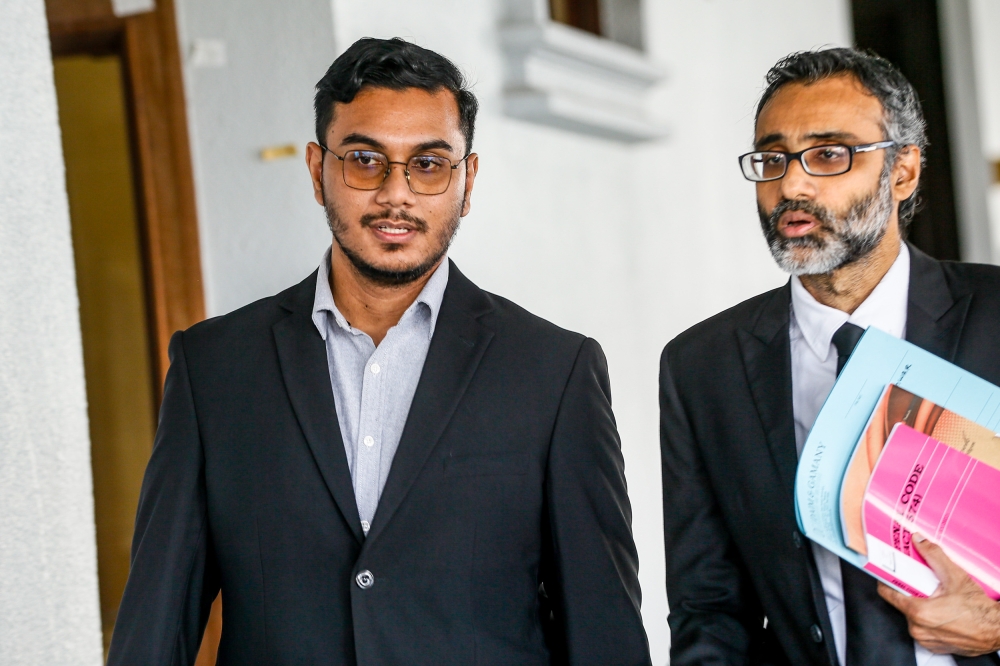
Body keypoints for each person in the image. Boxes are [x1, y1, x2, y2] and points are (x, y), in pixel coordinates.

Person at [108, 37, 650, 665]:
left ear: (466, 180)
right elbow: (157, 621)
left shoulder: (554, 372)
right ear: (318, 171)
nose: (397, 193)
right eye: (365, 160)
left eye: (428, 163)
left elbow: (603, 629)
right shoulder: (214, 368)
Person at [660, 47, 1000, 666]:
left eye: (828, 154)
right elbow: (709, 607)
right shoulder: (700, 366)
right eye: (772, 159)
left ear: (903, 172)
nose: (791, 184)